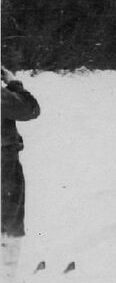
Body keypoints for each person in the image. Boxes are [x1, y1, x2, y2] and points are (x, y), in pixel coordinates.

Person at [2, 65, 40, 280]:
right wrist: (14, 83)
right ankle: (7, 275)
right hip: (4, 164)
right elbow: (30, 109)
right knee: (10, 223)